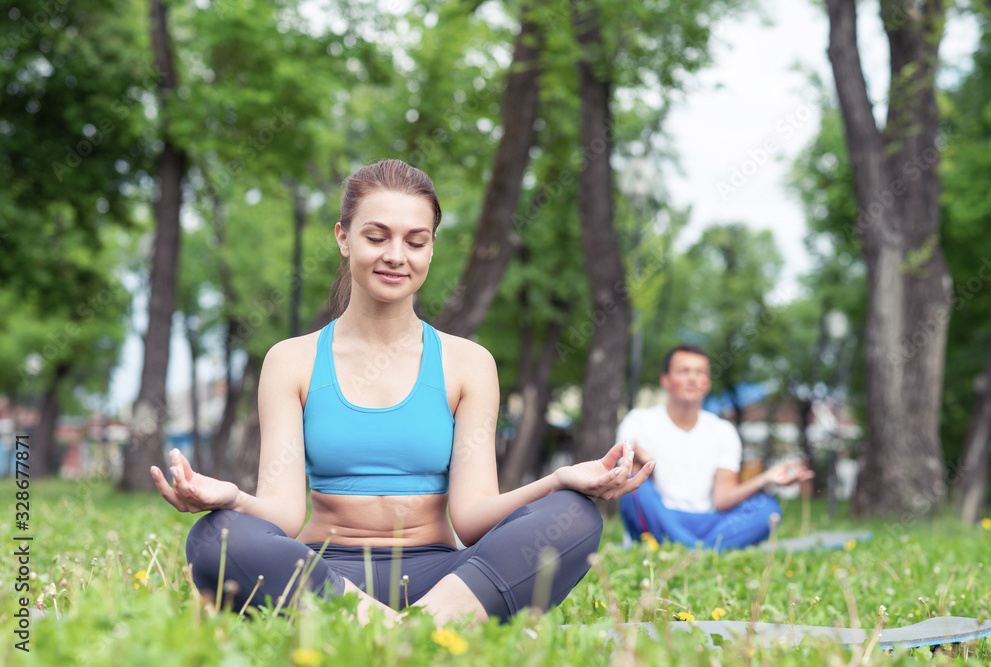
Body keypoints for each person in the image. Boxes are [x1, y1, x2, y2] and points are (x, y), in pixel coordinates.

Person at [150, 159, 654, 626]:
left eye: (415, 241)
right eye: (377, 236)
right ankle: (408, 633)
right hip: (325, 578)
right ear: (344, 238)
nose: (396, 256)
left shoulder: (469, 364)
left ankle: (398, 630)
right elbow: (284, 515)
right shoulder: (291, 360)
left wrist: (560, 479)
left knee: (574, 515)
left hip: (447, 580)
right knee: (216, 537)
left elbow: (473, 518)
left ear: (432, 248)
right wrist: (232, 498)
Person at [618, 344, 812, 550]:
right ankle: (703, 551)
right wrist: (647, 467)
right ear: (665, 380)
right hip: (661, 517)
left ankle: (687, 550)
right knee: (632, 484)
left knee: (767, 509)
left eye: (700, 372)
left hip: (708, 522)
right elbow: (628, 487)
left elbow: (723, 499)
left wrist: (766, 478)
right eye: (684, 371)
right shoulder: (638, 422)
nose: (692, 378)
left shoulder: (723, 431)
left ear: (707, 383)